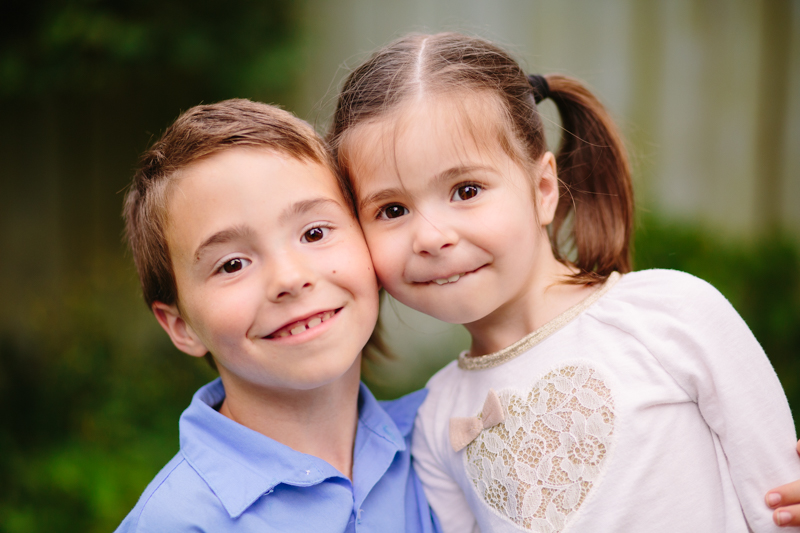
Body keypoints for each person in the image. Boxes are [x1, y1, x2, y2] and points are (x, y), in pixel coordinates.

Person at [327, 32, 800, 532]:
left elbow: (780, 503)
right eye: (392, 210)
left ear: (543, 189)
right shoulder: (436, 421)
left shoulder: (670, 316)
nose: (431, 236)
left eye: (466, 190)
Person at [115, 99, 439, 532]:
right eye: (232, 264)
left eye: (314, 233)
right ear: (181, 326)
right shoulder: (176, 521)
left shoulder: (444, 438)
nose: (289, 278)